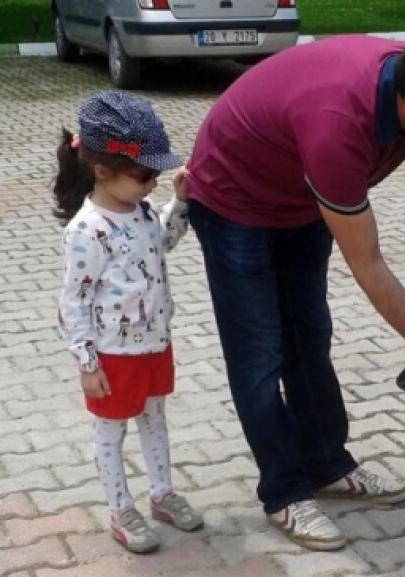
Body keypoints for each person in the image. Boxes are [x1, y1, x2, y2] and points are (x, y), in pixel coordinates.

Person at [185, 21, 405, 551]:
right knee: (259, 353)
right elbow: (369, 265)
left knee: (310, 334)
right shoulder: (337, 127)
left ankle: (326, 464)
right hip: (234, 199)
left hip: (301, 194)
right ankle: (283, 492)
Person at [55, 91, 202, 554]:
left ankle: (161, 494)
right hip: (113, 354)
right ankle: (120, 508)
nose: (151, 184)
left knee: (155, 420)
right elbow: (73, 301)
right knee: (111, 432)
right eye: (144, 175)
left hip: (155, 342)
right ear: (102, 172)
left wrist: (178, 204)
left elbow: (164, 242)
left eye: (156, 175)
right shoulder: (86, 231)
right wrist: (85, 361)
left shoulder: (139, 210)